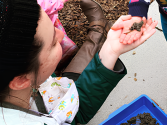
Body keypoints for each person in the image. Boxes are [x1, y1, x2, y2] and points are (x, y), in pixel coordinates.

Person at [0, 0, 158, 125]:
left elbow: (72, 110)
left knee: (75, 72)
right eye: (53, 42)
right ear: (22, 80)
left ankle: (98, 34)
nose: (62, 35)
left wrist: (110, 50)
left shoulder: (17, 76)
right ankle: (97, 32)